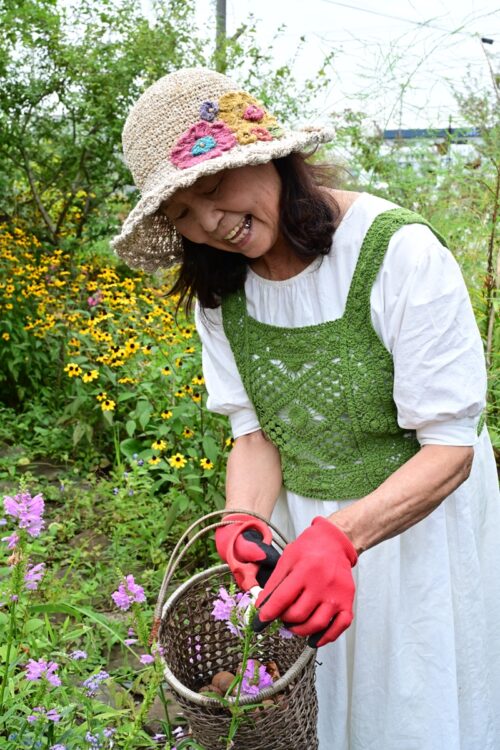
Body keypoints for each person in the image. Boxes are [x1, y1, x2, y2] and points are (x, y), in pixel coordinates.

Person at [112, 67, 500, 750]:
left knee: (415, 708)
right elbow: (253, 433)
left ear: (270, 156)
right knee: (325, 715)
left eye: (210, 188)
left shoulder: (396, 256)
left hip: (415, 533)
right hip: (309, 545)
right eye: (182, 214)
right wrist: (243, 523)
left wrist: (342, 538)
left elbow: (450, 449)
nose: (210, 224)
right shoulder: (223, 295)